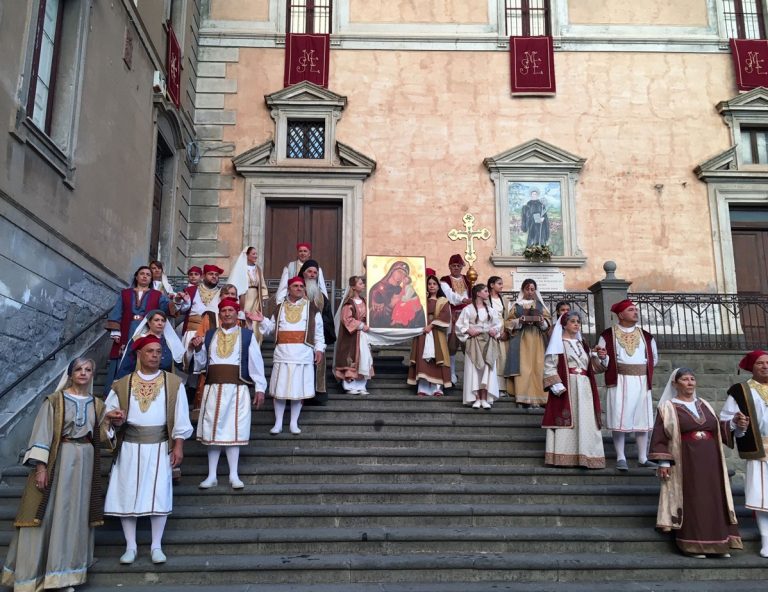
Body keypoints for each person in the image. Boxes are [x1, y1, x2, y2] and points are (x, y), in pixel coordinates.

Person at [1, 358, 108, 592]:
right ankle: (39, 575)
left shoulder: (97, 404)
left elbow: (101, 436)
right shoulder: (54, 401)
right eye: (79, 369)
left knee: (76, 517)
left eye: (88, 370)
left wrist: (112, 423)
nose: (83, 373)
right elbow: (42, 434)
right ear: (70, 374)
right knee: (52, 514)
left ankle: (65, 575)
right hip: (59, 461)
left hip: (86, 464)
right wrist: (40, 468)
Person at [103, 335, 192, 565]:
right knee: (127, 494)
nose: (155, 355)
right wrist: (114, 419)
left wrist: (179, 445)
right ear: (139, 354)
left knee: (159, 495)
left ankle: (156, 545)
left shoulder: (173, 383)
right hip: (130, 446)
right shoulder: (122, 384)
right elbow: (107, 414)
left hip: (161, 446)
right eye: (150, 351)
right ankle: (131, 546)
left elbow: (181, 417)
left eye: (158, 351)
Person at [651, 368, 742, 557]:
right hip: (686, 462)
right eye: (685, 379)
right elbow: (660, 436)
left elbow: (717, 428)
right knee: (694, 499)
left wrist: (733, 423)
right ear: (675, 384)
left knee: (714, 499)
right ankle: (693, 544)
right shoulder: (668, 407)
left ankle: (719, 544)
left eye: (692, 379)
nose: (690, 382)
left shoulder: (705, 404)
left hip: (711, 461)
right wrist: (664, 463)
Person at [190, 298, 267, 489]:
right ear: (219, 313)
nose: (227, 313)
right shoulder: (209, 335)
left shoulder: (248, 336)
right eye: (223, 310)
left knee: (235, 430)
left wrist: (260, 388)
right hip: (213, 389)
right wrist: (198, 349)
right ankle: (212, 475)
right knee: (212, 431)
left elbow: (256, 364)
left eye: (231, 310)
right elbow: (200, 365)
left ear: (237, 312)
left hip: (237, 389)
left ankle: (234, 475)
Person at [596, 299, 658, 471]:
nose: (635, 312)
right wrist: (602, 357)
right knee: (619, 418)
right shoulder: (608, 335)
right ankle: (621, 457)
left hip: (641, 381)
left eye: (636, 310)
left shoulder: (646, 336)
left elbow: (654, 358)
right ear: (621, 314)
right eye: (631, 310)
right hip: (620, 380)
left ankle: (643, 457)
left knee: (642, 419)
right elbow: (602, 360)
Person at [261, 276, 325, 434]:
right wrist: (261, 319)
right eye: (295, 286)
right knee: (280, 391)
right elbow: (270, 329)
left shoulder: (312, 308)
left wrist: (319, 349)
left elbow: (318, 332)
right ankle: (278, 423)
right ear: (288, 289)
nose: (299, 288)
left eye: (301, 286)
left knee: (298, 391)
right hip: (282, 353)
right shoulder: (279, 307)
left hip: (302, 354)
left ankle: (293, 423)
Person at [720, 350, 768, 558]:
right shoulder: (740, 391)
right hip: (760, 449)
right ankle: (766, 539)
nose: (766, 366)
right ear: (751, 366)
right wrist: (737, 423)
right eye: (760, 363)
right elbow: (725, 419)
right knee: (763, 497)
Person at [104, 265, 182, 395]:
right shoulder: (125, 293)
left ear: (151, 279)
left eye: (148, 274)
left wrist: (177, 300)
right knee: (123, 357)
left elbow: (167, 309)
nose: (145, 276)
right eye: (142, 273)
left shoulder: (157, 295)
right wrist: (116, 330)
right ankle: (118, 393)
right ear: (136, 276)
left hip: (146, 330)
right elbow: (118, 310)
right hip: (127, 329)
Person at [542, 312, 605, 469]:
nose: (577, 324)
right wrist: (556, 385)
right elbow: (549, 366)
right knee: (569, 420)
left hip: (584, 387)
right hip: (568, 386)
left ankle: (586, 455)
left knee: (585, 421)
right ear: (564, 324)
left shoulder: (582, 345)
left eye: (578, 322)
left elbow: (593, 368)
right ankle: (565, 455)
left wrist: (601, 357)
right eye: (573, 321)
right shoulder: (558, 343)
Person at [504, 278, 551, 408]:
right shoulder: (517, 306)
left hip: (537, 339)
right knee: (523, 368)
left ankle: (540, 399)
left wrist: (541, 322)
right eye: (527, 289)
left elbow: (548, 322)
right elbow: (507, 322)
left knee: (538, 367)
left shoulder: (540, 305)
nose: (530, 292)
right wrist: (519, 321)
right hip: (521, 339)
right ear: (523, 290)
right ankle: (523, 398)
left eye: (532, 289)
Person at [455, 283, 502, 410]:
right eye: (485, 291)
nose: (488, 293)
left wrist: (494, 330)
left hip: (488, 341)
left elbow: (498, 324)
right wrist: (468, 330)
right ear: (478, 293)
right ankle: (476, 397)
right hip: (474, 342)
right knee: (474, 369)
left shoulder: (491, 310)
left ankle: (485, 397)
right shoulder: (468, 309)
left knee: (487, 368)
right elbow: (459, 326)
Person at [407, 273, 452, 396]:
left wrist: (431, 326)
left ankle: (437, 388)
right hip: (423, 333)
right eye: (429, 284)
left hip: (437, 332)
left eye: (434, 284)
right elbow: (414, 315)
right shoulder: (421, 301)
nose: (431, 286)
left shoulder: (443, 301)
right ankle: (423, 388)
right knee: (423, 361)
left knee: (437, 359)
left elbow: (444, 316)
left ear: (438, 286)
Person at [300, 259, 336, 405]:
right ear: (303, 273)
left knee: (318, 364)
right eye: (310, 271)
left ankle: (317, 395)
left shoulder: (321, 295)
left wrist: (320, 323)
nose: (312, 274)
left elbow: (328, 316)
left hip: (317, 337)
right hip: (300, 337)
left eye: (315, 272)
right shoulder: (296, 291)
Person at [115, 309, 184, 381]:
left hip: (165, 382)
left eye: (163, 320)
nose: (160, 323)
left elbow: (181, 363)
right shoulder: (138, 340)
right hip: (142, 382)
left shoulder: (169, 342)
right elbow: (127, 364)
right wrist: (120, 383)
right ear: (149, 322)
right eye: (156, 320)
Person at [334, 276, 374, 395]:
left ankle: (361, 385)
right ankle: (349, 385)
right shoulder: (349, 303)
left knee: (363, 359)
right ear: (353, 287)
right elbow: (346, 319)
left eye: (363, 283)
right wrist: (361, 325)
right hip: (351, 337)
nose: (363, 285)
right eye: (360, 283)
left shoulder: (365, 301)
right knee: (351, 360)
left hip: (363, 336)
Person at [440, 255, 472, 384]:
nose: (456, 268)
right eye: (454, 266)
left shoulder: (468, 280)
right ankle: (452, 374)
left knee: (468, 344)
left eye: (459, 266)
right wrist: (463, 299)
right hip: (453, 314)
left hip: (467, 315)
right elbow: (449, 294)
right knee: (452, 343)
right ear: (449, 267)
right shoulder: (444, 280)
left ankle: (469, 376)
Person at [369, 260, 424, 329]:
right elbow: (374, 316)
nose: (401, 276)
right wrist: (391, 305)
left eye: (404, 274)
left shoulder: (402, 290)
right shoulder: (378, 289)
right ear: (392, 271)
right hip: (384, 331)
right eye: (399, 272)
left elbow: (413, 307)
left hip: (400, 328)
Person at [229, 246, 269, 343]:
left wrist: (264, 295)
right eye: (253, 254)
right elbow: (235, 282)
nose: (256, 256)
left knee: (255, 319)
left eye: (256, 254)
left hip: (256, 297)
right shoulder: (241, 268)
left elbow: (262, 283)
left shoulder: (258, 269)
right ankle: (243, 339)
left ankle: (255, 340)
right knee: (245, 317)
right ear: (247, 255)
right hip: (244, 296)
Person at [488, 276, 510, 395]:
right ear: (492, 285)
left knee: (503, 358)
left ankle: (502, 387)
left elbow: (507, 317)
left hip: (502, 331)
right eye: (499, 283)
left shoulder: (504, 300)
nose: (501, 286)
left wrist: (506, 332)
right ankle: (491, 387)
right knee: (492, 358)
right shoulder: (486, 300)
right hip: (490, 331)